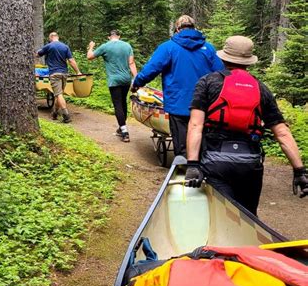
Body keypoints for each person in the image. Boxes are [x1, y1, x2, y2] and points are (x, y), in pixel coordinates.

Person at [185, 35, 308, 215]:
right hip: (250, 165)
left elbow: (195, 126)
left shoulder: (207, 83)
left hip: (215, 162)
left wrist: (193, 165)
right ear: (249, 62)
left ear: (223, 57)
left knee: (220, 217)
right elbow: (282, 133)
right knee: (248, 219)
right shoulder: (261, 88)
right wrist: (300, 171)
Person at [131, 15, 223, 156]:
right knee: (202, 142)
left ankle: (184, 173)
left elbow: (152, 69)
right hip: (205, 105)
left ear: (177, 29)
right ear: (194, 28)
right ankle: (204, 173)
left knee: (182, 146)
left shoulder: (168, 47)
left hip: (178, 104)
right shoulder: (208, 48)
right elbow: (221, 74)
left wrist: (137, 83)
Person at [87, 30, 137, 142]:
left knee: (117, 104)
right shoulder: (127, 46)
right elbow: (131, 63)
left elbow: (89, 57)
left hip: (114, 80)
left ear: (109, 37)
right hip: (126, 79)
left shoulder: (105, 46)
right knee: (123, 102)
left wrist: (91, 47)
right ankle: (121, 127)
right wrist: (137, 78)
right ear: (119, 36)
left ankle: (124, 132)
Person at [37, 32, 81, 123]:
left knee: (58, 94)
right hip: (64, 74)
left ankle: (66, 115)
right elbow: (71, 61)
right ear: (57, 37)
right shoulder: (65, 47)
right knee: (59, 94)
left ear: (51, 38)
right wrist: (78, 71)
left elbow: (38, 54)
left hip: (54, 74)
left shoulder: (49, 46)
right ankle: (55, 113)